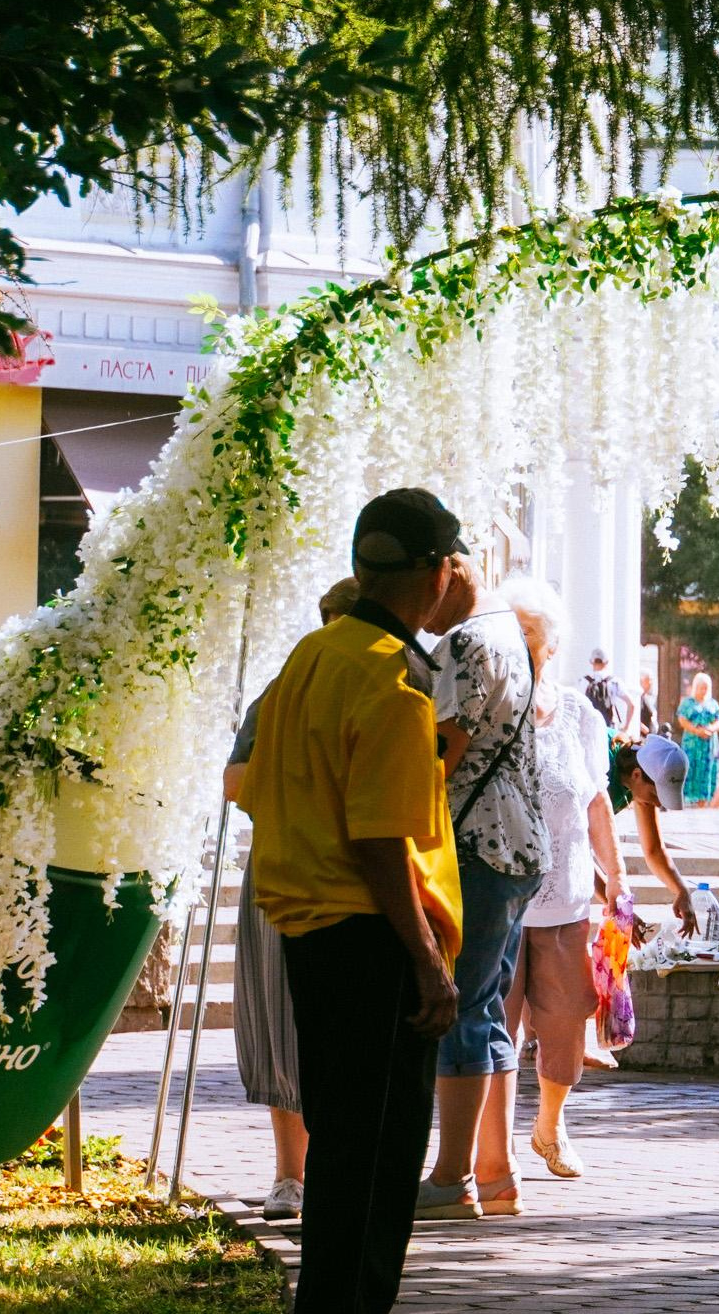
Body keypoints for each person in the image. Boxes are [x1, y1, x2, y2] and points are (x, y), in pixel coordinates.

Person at [245, 488, 467, 1314]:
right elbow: (380, 843)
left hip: (311, 932)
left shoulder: (315, 654)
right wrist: (426, 963)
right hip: (374, 940)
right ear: (438, 573)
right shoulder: (396, 685)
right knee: (379, 1160)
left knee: (342, 1149)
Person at [499, 577, 698, 1182]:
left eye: (530, 635)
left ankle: (549, 1127)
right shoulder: (486, 707)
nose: (517, 643)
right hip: (499, 899)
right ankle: (492, 1146)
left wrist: (620, 886)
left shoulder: (582, 719)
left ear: (552, 646)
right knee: (493, 1029)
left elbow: (592, 814)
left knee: (565, 1021)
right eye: (511, 632)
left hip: (562, 904)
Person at [222, 575, 365, 1221]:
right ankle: (291, 1175)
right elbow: (234, 781)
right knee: (282, 1026)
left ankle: (346, 1176)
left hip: (359, 876)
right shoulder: (284, 691)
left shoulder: (393, 688)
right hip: (286, 868)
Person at [415, 557, 549, 1221]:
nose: (418, 615)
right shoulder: (511, 637)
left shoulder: (467, 642)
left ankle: (452, 1176)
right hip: (518, 843)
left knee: (461, 1008)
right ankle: (494, 1172)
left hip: (475, 842)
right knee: (489, 1009)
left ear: (449, 572)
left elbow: (442, 752)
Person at [676, 672, 719, 807]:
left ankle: (704, 801)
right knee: (690, 768)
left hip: (709, 743)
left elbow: (718, 720)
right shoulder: (687, 703)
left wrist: (711, 729)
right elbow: (682, 720)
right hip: (692, 743)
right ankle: (687, 800)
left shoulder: (713, 703)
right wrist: (696, 730)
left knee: (707, 769)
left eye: (706, 688)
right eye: (701, 687)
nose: (704, 690)